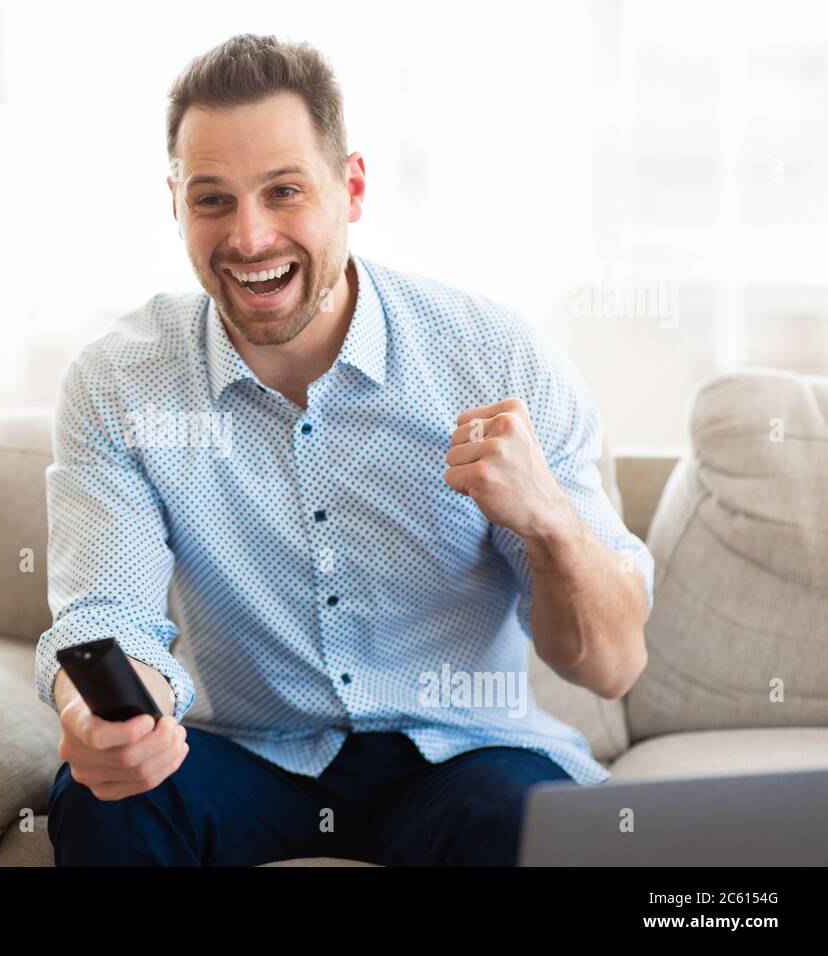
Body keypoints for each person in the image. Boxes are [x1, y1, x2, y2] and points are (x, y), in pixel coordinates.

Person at [35, 33, 654, 866]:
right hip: (254, 757)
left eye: (283, 191)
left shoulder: (491, 358)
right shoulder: (120, 383)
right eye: (213, 200)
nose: (250, 238)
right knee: (103, 798)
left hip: (461, 758)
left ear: (350, 187)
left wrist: (547, 520)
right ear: (176, 204)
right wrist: (111, 718)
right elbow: (111, 616)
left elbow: (613, 666)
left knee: (523, 813)